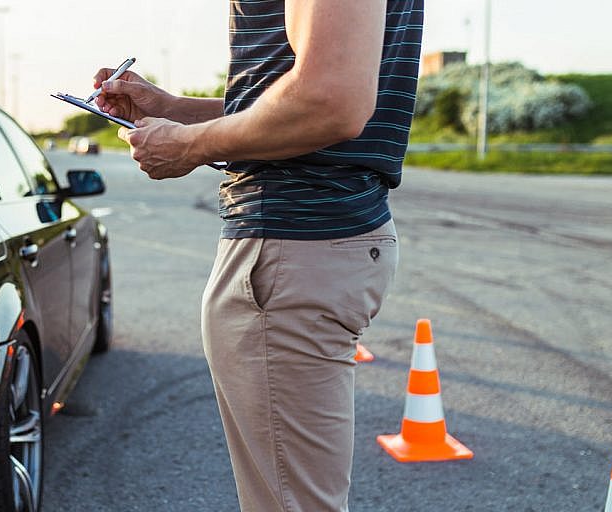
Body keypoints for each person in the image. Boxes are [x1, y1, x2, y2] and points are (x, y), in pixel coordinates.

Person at [94, 1, 423, 510]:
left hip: (292, 246)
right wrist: (174, 111)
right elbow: (306, 95)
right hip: (311, 247)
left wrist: (189, 145)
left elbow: (330, 101)